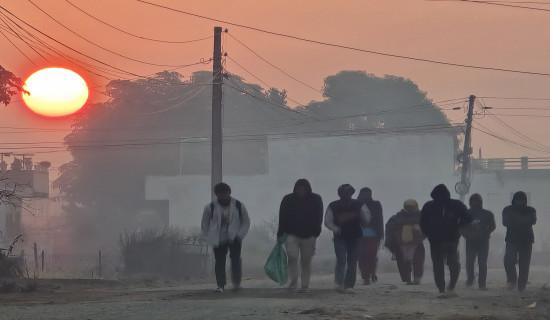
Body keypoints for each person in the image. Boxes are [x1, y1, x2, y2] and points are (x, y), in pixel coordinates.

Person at [420, 184, 470, 298]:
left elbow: (467, 218)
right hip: (435, 240)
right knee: (439, 266)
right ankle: (442, 289)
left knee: (453, 265)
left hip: (451, 239)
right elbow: (423, 222)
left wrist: (458, 228)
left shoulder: (456, 205)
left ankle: (451, 286)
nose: (440, 199)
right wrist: (429, 233)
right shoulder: (429, 206)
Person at [201, 182, 250, 293]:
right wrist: (209, 236)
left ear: (229, 192)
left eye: (224, 193)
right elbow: (204, 224)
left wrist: (240, 235)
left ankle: (236, 283)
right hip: (218, 238)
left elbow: (246, 222)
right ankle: (220, 285)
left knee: (236, 259)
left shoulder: (238, 205)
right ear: (216, 195)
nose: (222, 196)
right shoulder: (210, 207)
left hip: (235, 237)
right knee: (219, 261)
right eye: (219, 194)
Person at [277, 179, 324, 293]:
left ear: (308, 189)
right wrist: (280, 234)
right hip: (291, 234)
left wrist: (316, 232)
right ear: (295, 189)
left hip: (309, 235)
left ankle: (304, 285)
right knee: (292, 258)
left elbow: (319, 216)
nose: (301, 191)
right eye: (299, 189)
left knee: (306, 261)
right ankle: (293, 282)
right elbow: (282, 217)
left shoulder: (316, 199)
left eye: (304, 189)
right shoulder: (288, 199)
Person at [325, 184, 371, 294]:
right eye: (343, 193)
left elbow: (366, 218)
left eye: (348, 193)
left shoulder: (359, 204)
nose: (345, 195)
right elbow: (327, 221)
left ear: (352, 193)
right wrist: (337, 230)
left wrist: (359, 227)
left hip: (356, 236)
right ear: (339, 194)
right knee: (341, 259)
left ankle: (349, 285)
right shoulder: (333, 205)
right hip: (340, 237)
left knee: (352, 261)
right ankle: (339, 283)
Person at [385, 199, 425, 285]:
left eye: (412, 207)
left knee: (417, 261)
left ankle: (415, 278)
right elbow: (390, 229)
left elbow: (427, 228)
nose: (410, 209)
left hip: (415, 243)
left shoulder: (422, 216)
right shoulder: (397, 217)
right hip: (402, 244)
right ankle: (408, 279)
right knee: (404, 262)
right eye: (408, 207)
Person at [460, 193, 496, 290]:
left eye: (476, 201)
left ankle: (482, 283)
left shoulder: (487, 214)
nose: (474, 203)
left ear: (480, 202)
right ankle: (470, 278)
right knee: (469, 262)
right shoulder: (466, 214)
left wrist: (485, 233)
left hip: (483, 242)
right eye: (472, 201)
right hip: (470, 241)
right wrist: (467, 235)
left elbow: (492, 226)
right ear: (470, 202)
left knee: (482, 262)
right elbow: (461, 226)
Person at [502, 191, 537, 292]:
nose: (519, 202)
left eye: (521, 200)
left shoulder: (531, 210)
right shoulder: (507, 209)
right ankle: (512, 280)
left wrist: (515, 221)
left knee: (524, 264)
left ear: (525, 200)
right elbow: (505, 222)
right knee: (508, 260)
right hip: (512, 239)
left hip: (526, 240)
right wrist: (522, 221)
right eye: (517, 200)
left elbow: (532, 220)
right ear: (514, 200)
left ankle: (522, 285)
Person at [356, 187, 384, 285]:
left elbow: (380, 219)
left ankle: (372, 273)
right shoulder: (356, 204)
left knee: (371, 256)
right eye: (364, 193)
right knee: (361, 257)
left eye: (368, 193)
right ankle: (366, 276)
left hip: (373, 235)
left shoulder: (376, 204)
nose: (366, 195)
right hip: (358, 235)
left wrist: (381, 234)